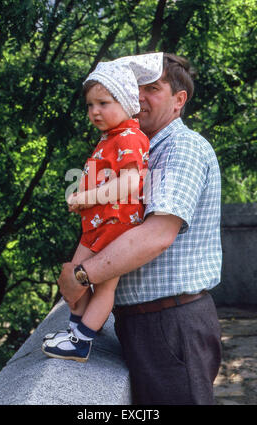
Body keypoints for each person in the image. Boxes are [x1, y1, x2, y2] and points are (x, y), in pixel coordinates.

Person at [57, 52, 222, 405]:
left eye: (153, 88)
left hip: (172, 322)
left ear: (179, 100)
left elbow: (156, 235)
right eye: (136, 88)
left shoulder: (181, 147)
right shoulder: (139, 147)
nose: (140, 96)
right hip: (145, 321)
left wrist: (83, 274)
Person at [42, 55, 164, 362]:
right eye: (90, 105)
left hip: (116, 227)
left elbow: (130, 183)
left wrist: (84, 198)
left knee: (103, 287)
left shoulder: (130, 137)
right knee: (72, 280)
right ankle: (74, 332)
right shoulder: (109, 138)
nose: (95, 111)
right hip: (97, 225)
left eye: (104, 103)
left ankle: (80, 342)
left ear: (125, 102)